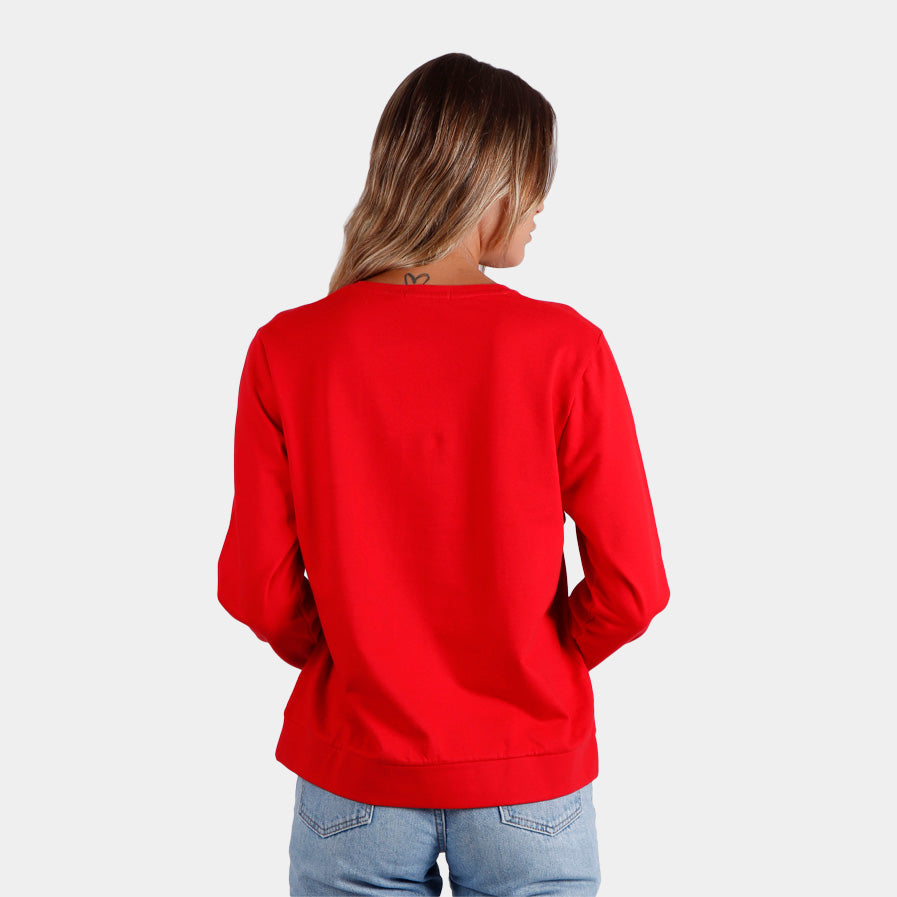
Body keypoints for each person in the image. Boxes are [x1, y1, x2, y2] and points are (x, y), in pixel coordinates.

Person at [217, 51, 670, 897]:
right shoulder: (565, 349)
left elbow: (256, 588)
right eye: (532, 181)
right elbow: (633, 587)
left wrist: (353, 657)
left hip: (355, 773)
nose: (540, 206)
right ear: (486, 185)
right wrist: (542, 663)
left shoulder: (289, 348)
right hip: (527, 777)